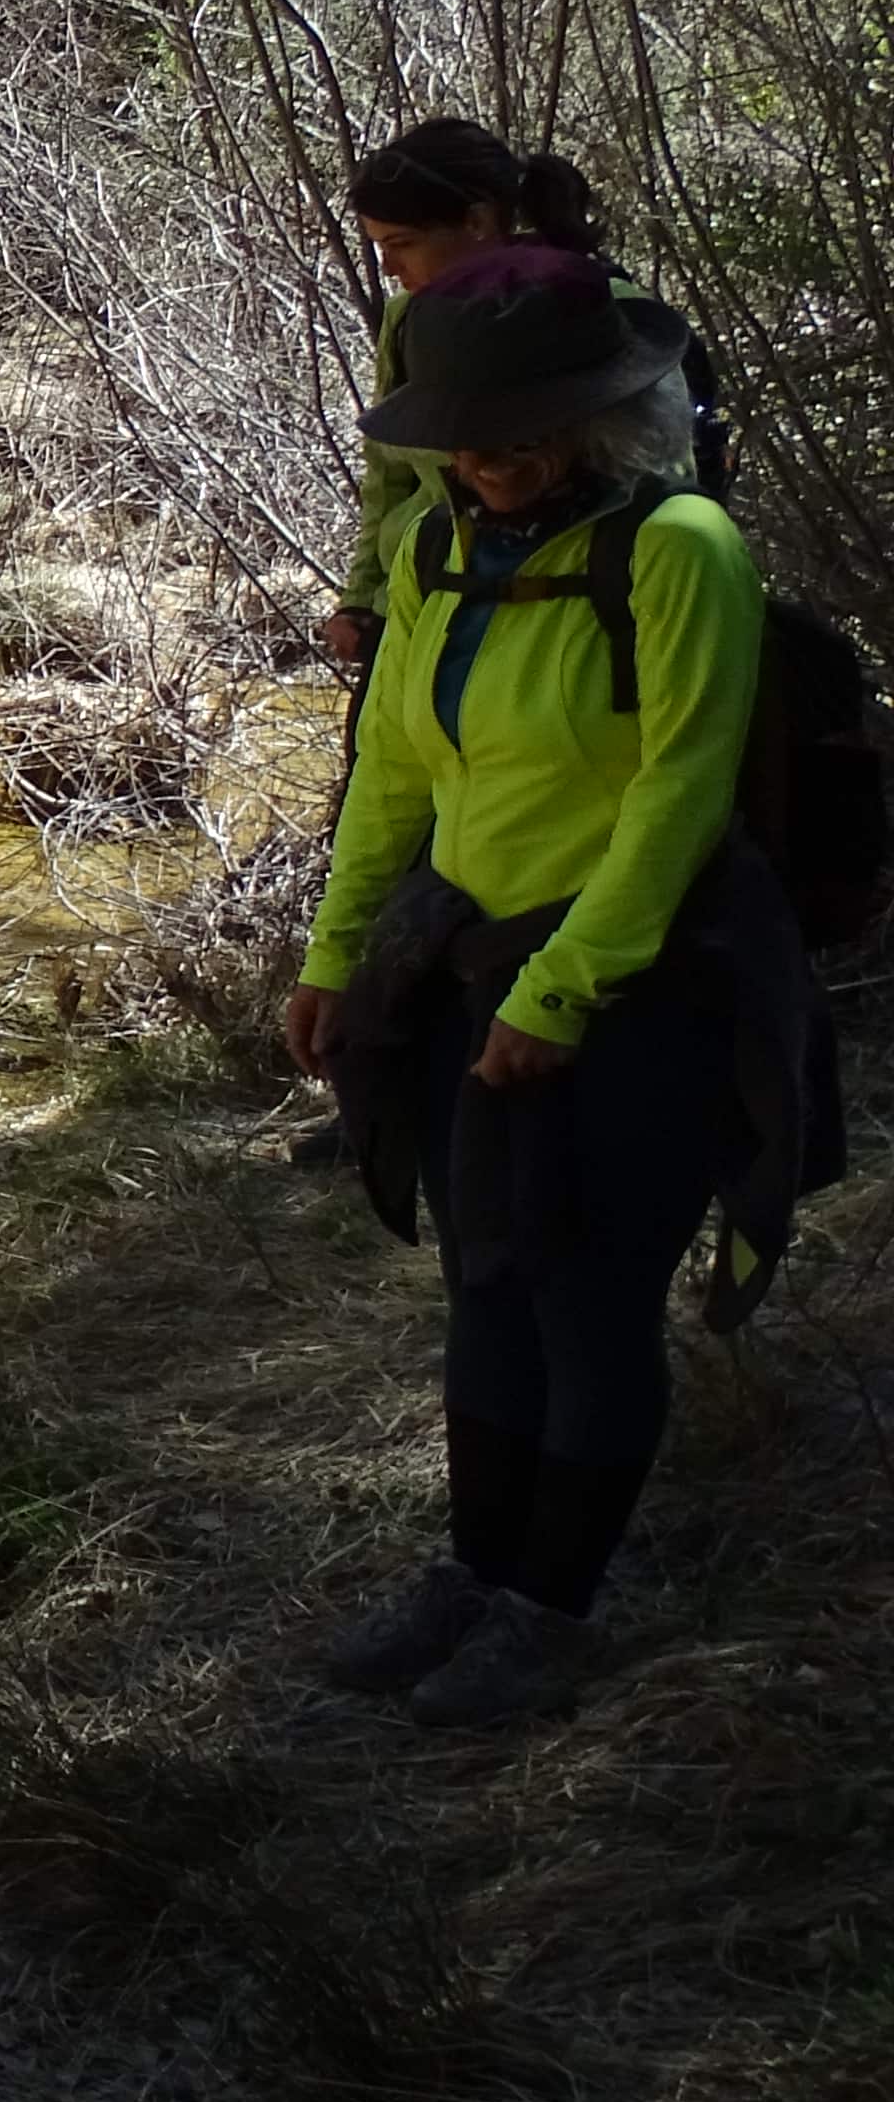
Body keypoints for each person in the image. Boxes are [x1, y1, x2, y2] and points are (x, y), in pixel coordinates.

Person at [282, 244, 822, 1729]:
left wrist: (565, 992)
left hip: (649, 974)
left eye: (524, 431)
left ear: (599, 415)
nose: (493, 459)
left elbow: (679, 796)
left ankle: (553, 1608)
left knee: (588, 1293)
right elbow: (393, 770)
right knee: (487, 1280)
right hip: (469, 962)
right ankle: (474, 1573)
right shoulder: (430, 550)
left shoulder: (680, 549)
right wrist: (335, 954)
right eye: (468, 435)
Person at [321, 121, 718, 672]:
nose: (388, 267)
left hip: (565, 617)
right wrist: (362, 599)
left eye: (402, 244)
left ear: (478, 221)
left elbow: (662, 479)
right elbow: (389, 477)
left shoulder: (600, 314)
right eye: (380, 247)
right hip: (419, 608)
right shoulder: (409, 320)